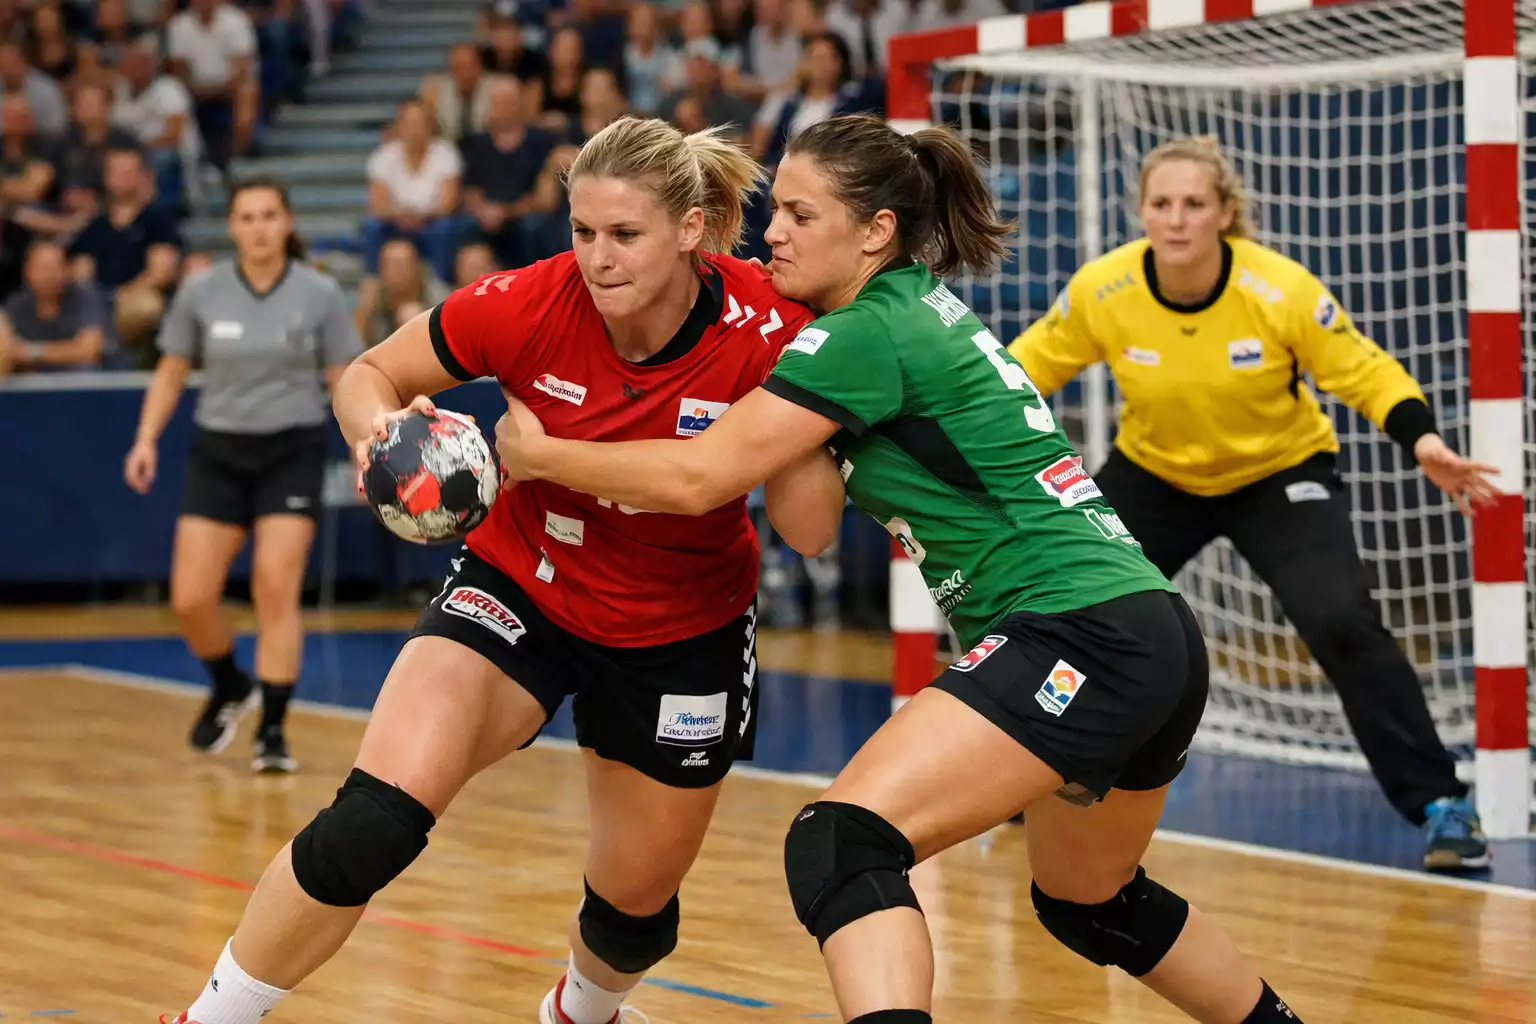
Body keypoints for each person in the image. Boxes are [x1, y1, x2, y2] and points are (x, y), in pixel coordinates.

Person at [494, 114, 1307, 1024]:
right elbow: (809, 529)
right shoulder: (893, 314)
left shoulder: (862, 337)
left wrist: (542, 456)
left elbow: (698, 478)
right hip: (1146, 630)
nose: (772, 232)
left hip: (1077, 631)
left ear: (876, 231)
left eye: (801, 216)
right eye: (776, 211)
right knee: (1092, 899)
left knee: (842, 843)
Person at [157, 116, 821, 1024]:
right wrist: (382, 435)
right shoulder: (527, 303)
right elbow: (367, 374)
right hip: (522, 585)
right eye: (582, 231)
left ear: (690, 229)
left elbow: (806, 532)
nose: (598, 259)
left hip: (680, 627)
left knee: (633, 918)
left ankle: (580, 1013)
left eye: (625, 234)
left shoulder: (772, 326)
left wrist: (812, 426)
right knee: (371, 824)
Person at [1006, 137, 1497, 873]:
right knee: (1070, 612)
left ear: (1224, 214)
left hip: (1279, 475)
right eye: (1162, 204)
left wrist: (1422, 439)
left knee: (1341, 621)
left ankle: (1441, 804)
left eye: (1194, 204)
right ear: (1141, 211)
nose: (1177, 220)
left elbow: (1361, 370)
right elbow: (1020, 372)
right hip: (1156, 473)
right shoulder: (1104, 289)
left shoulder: (1279, 288)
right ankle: (1027, 768)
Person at [124, 178, 363, 775]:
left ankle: (273, 731)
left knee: (274, 588)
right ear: (232, 227)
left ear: (287, 222)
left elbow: (344, 379)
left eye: (268, 216)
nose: (258, 228)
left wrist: (365, 449)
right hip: (219, 451)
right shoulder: (201, 291)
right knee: (190, 598)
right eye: (247, 218)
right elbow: (171, 370)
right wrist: (146, 439)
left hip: (292, 449)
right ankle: (230, 683)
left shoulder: (319, 293)